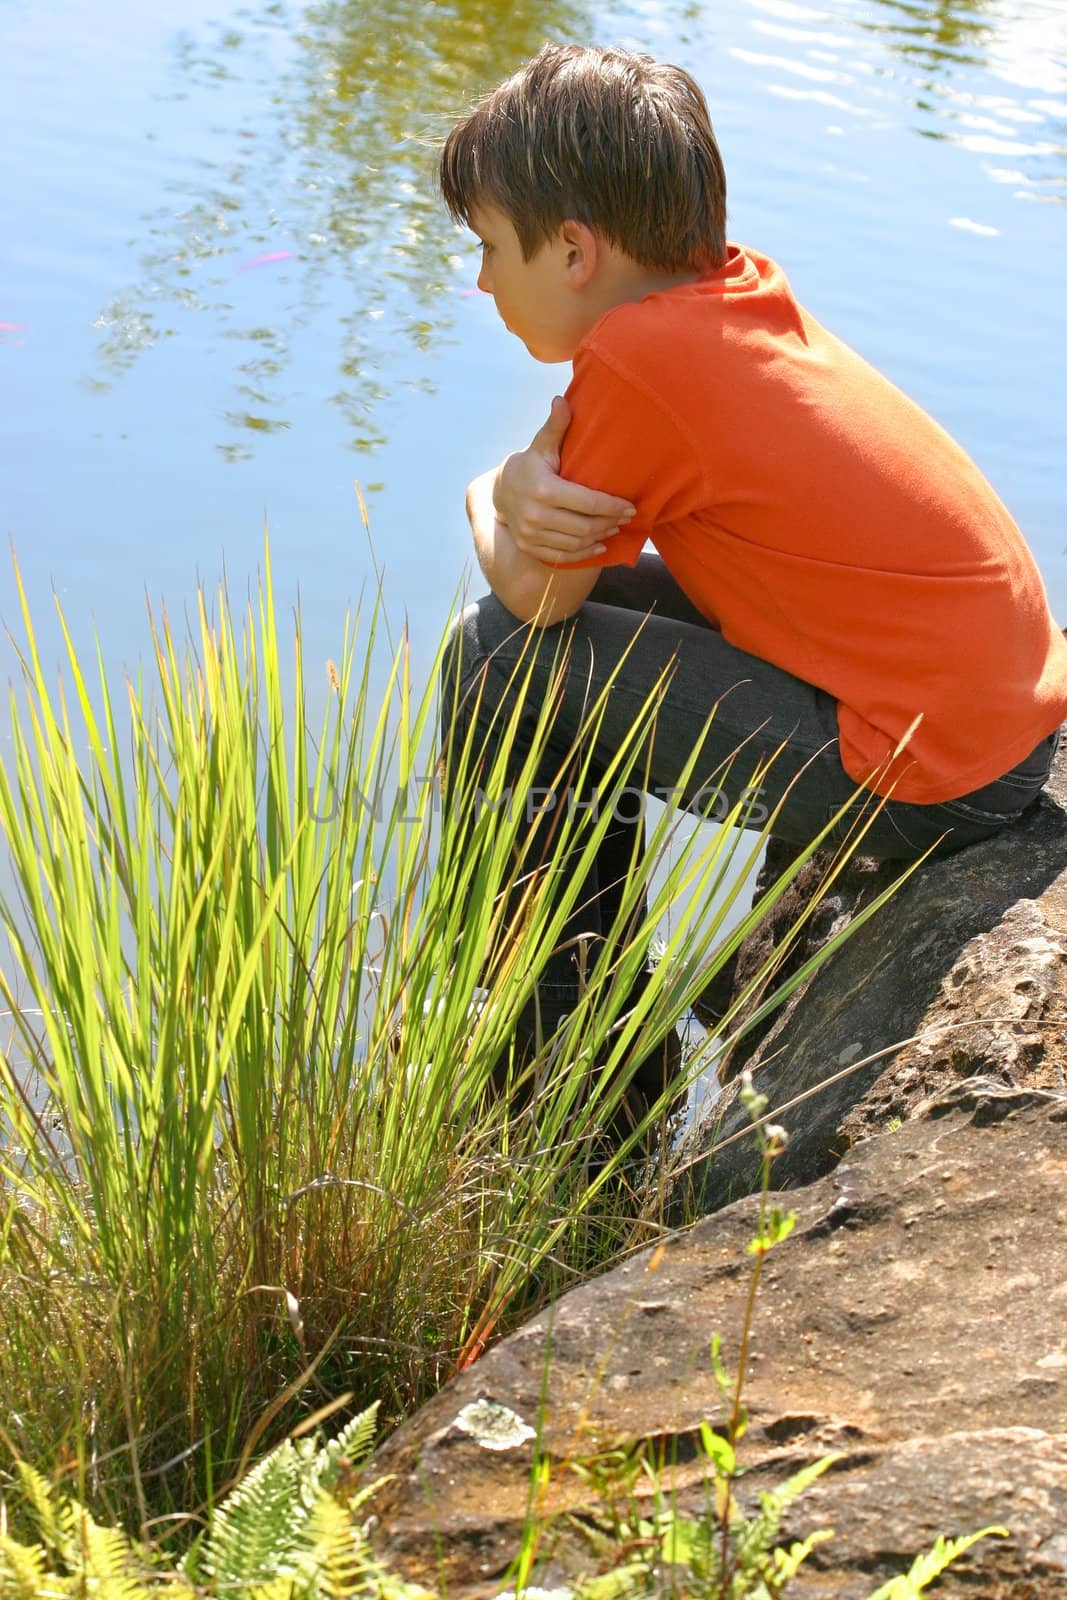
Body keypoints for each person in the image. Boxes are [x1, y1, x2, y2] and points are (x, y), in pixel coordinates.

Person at [436, 42, 1067, 1113]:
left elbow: (538, 601)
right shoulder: (734, 296)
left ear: (576, 251)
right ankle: (604, 1032)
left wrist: (490, 493)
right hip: (987, 720)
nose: (483, 279)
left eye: (492, 248)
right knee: (592, 630)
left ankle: (559, 1082)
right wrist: (509, 497)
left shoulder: (638, 357)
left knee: (496, 660)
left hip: (928, 768)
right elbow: (592, 578)